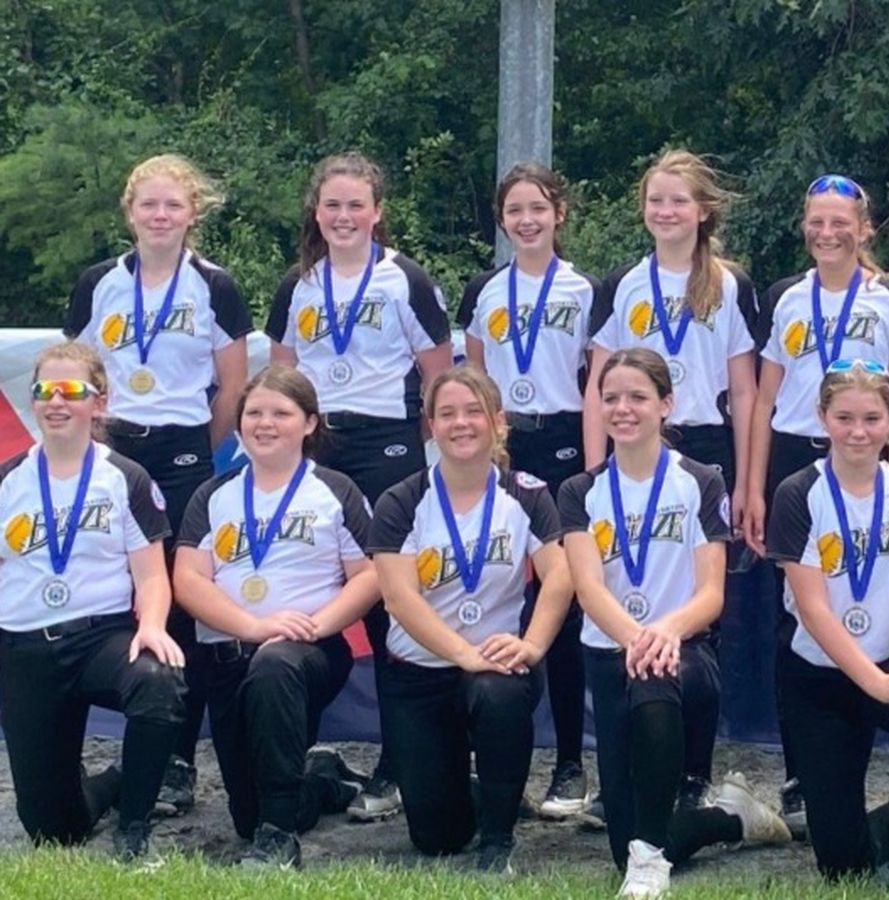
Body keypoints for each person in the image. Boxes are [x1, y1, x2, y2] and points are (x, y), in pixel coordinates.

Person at [266, 151, 453, 822]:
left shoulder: (406, 279)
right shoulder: (298, 286)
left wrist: (415, 449)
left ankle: (400, 763)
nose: (343, 216)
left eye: (356, 205)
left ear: (377, 212)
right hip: (319, 443)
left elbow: (438, 378)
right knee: (309, 584)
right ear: (316, 212)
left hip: (388, 444)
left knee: (391, 604)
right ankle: (294, 755)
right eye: (332, 205)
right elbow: (283, 378)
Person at [562, 349, 789, 899]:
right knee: (624, 840)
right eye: (611, 398)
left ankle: (649, 861)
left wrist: (664, 633)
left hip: (684, 652)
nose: (623, 409)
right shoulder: (580, 492)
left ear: (666, 404)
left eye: (637, 397)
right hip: (612, 653)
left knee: (654, 679)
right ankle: (733, 818)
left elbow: (711, 594)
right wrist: (638, 639)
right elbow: (589, 590)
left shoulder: (700, 481)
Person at [65, 154, 253, 816]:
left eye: (173, 204)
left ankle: (176, 760)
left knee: (180, 605)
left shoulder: (215, 286)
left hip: (184, 451)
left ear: (192, 212)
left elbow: (232, 385)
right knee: (111, 589)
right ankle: (102, 744)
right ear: (130, 212)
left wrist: (197, 447)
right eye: (149, 204)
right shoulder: (98, 283)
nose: (161, 215)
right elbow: (76, 374)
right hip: (113, 447)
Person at [745, 173, 889, 834]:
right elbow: (765, 398)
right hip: (796, 461)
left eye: (840, 222)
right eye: (816, 222)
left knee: (874, 598)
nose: (827, 233)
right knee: (794, 618)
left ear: (864, 228)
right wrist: (753, 487)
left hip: (870, 458)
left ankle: (870, 762)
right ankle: (802, 774)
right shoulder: (784, 297)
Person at [583, 149, 757, 811]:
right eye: (655, 200)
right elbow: (598, 384)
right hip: (630, 440)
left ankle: (693, 777)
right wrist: (595, 471)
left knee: (698, 621)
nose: (665, 211)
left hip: (705, 447)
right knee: (623, 596)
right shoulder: (625, 283)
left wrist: (748, 483)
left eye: (678, 200)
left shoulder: (731, 285)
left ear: (703, 210)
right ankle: (624, 769)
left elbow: (745, 391)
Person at [172, 365, 380, 867]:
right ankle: (322, 781)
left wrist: (316, 625)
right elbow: (188, 579)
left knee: (274, 665)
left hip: (307, 652)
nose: (265, 424)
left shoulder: (334, 490)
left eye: (281, 413)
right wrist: (255, 627)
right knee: (248, 814)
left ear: (309, 423)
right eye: (254, 413)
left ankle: (279, 839)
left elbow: (372, 575)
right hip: (227, 654)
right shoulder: (214, 494)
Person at [368, 366, 573, 872]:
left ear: (498, 420)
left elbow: (560, 575)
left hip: (497, 666)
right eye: (447, 414)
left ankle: (499, 838)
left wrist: (533, 645)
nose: (460, 423)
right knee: (437, 837)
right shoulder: (401, 500)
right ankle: (476, 789)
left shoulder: (526, 494)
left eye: (473, 411)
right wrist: (463, 654)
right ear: (430, 425)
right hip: (419, 673)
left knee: (497, 693)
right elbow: (399, 598)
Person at [766, 358, 889, 884]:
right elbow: (813, 609)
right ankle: (855, 832)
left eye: (872, 419)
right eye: (844, 418)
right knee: (842, 869)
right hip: (820, 673)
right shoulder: (797, 493)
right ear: (822, 417)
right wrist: (876, 684)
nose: (858, 432)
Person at [0, 342, 187, 859]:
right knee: (54, 831)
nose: (56, 402)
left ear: (99, 402)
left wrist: (152, 626)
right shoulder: (8, 480)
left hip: (99, 638)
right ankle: (112, 782)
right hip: (24, 646)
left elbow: (152, 576)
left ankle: (134, 825)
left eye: (71, 390)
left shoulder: (124, 477)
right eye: (44, 390)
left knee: (158, 681)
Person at [458, 162, 598, 818]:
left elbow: (596, 381)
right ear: (502, 219)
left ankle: (569, 762)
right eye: (514, 210)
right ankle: (490, 758)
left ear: (559, 214)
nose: (527, 220)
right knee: (493, 592)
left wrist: (592, 469)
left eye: (538, 208)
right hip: (503, 444)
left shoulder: (585, 289)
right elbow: (474, 382)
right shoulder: (484, 290)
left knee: (562, 605)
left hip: (564, 440)